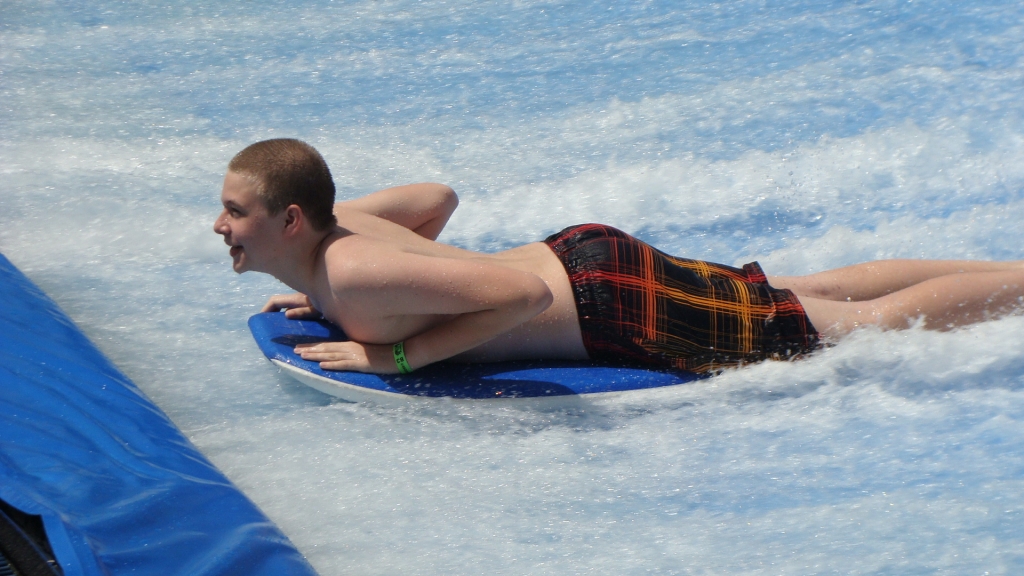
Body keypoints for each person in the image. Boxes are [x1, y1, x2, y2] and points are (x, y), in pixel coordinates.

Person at [213, 138, 1024, 374]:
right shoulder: (340, 237)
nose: (220, 226)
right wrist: (379, 291)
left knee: (849, 325)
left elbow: (519, 301)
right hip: (585, 258)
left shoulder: (351, 271)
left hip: (605, 303)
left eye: (233, 211)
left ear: (290, 220)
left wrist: (397, 349)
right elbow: (436, 197)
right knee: (789, 292)